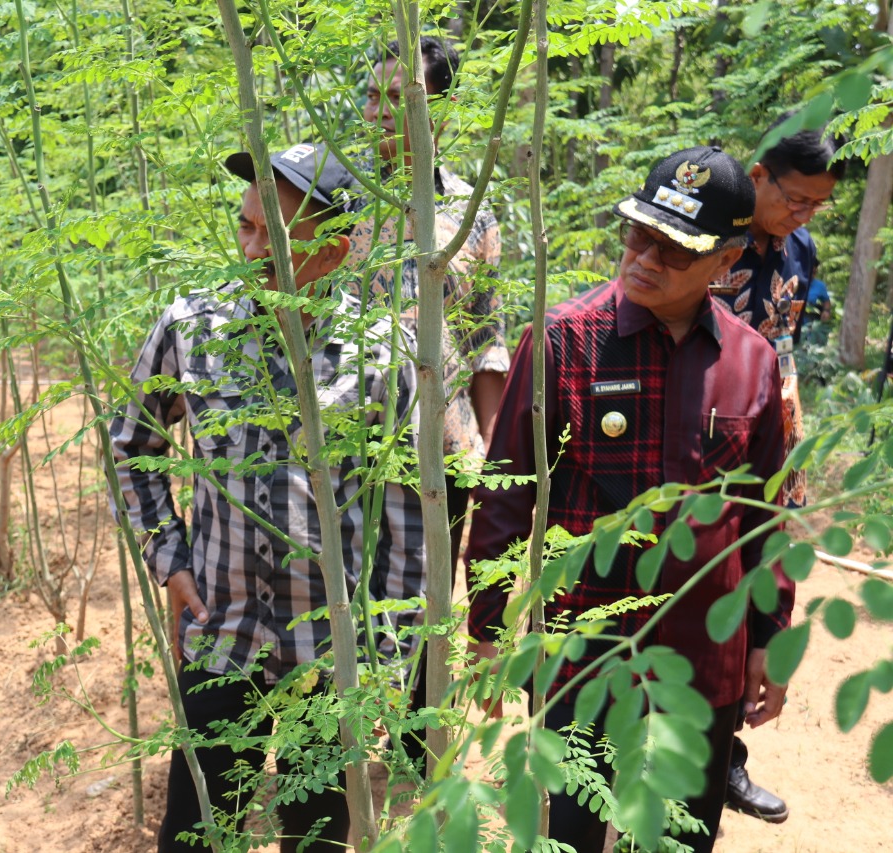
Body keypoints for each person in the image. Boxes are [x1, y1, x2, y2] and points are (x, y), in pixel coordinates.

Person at [466, 145, 794, 853]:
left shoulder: (752, 362)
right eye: (638, 232)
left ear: (728, 259)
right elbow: (505, 493)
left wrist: (768, 637)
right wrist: (488, 630)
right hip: (582, 668)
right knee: (567, 839)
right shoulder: (561, 341)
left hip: (701, 670)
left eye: (675, 248)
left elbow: (766, 520)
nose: (645, 255)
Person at [110, 142, 424, 852]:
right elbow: (132, 443)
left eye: (272, 235)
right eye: (244, 225)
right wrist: (170, 554)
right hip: (224, 635)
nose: (250, 248)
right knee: (194, 831)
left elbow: (403, 517)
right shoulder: (193, 325)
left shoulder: (380, 354)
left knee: (318, 833)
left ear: (337, 250)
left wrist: (389, 652)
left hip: (330, 651)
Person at [708, 122, 844, 822]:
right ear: (757, 175)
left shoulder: (802, 250)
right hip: (706, 438)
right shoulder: (713, 234)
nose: (801, 215)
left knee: (761, 592)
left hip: (776, 437)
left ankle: (725, 761)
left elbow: (783, 341)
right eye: (794, 199)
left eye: (815, 206)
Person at [353, 35, 509, 567]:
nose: (378, 113)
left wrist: (490, 453)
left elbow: (486, 340)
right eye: (373, 97)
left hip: (445, 455)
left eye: (397, 100)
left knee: (427, 620)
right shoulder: (335, 202)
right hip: (345, 454)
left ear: (444, 109)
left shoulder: (473, 213)